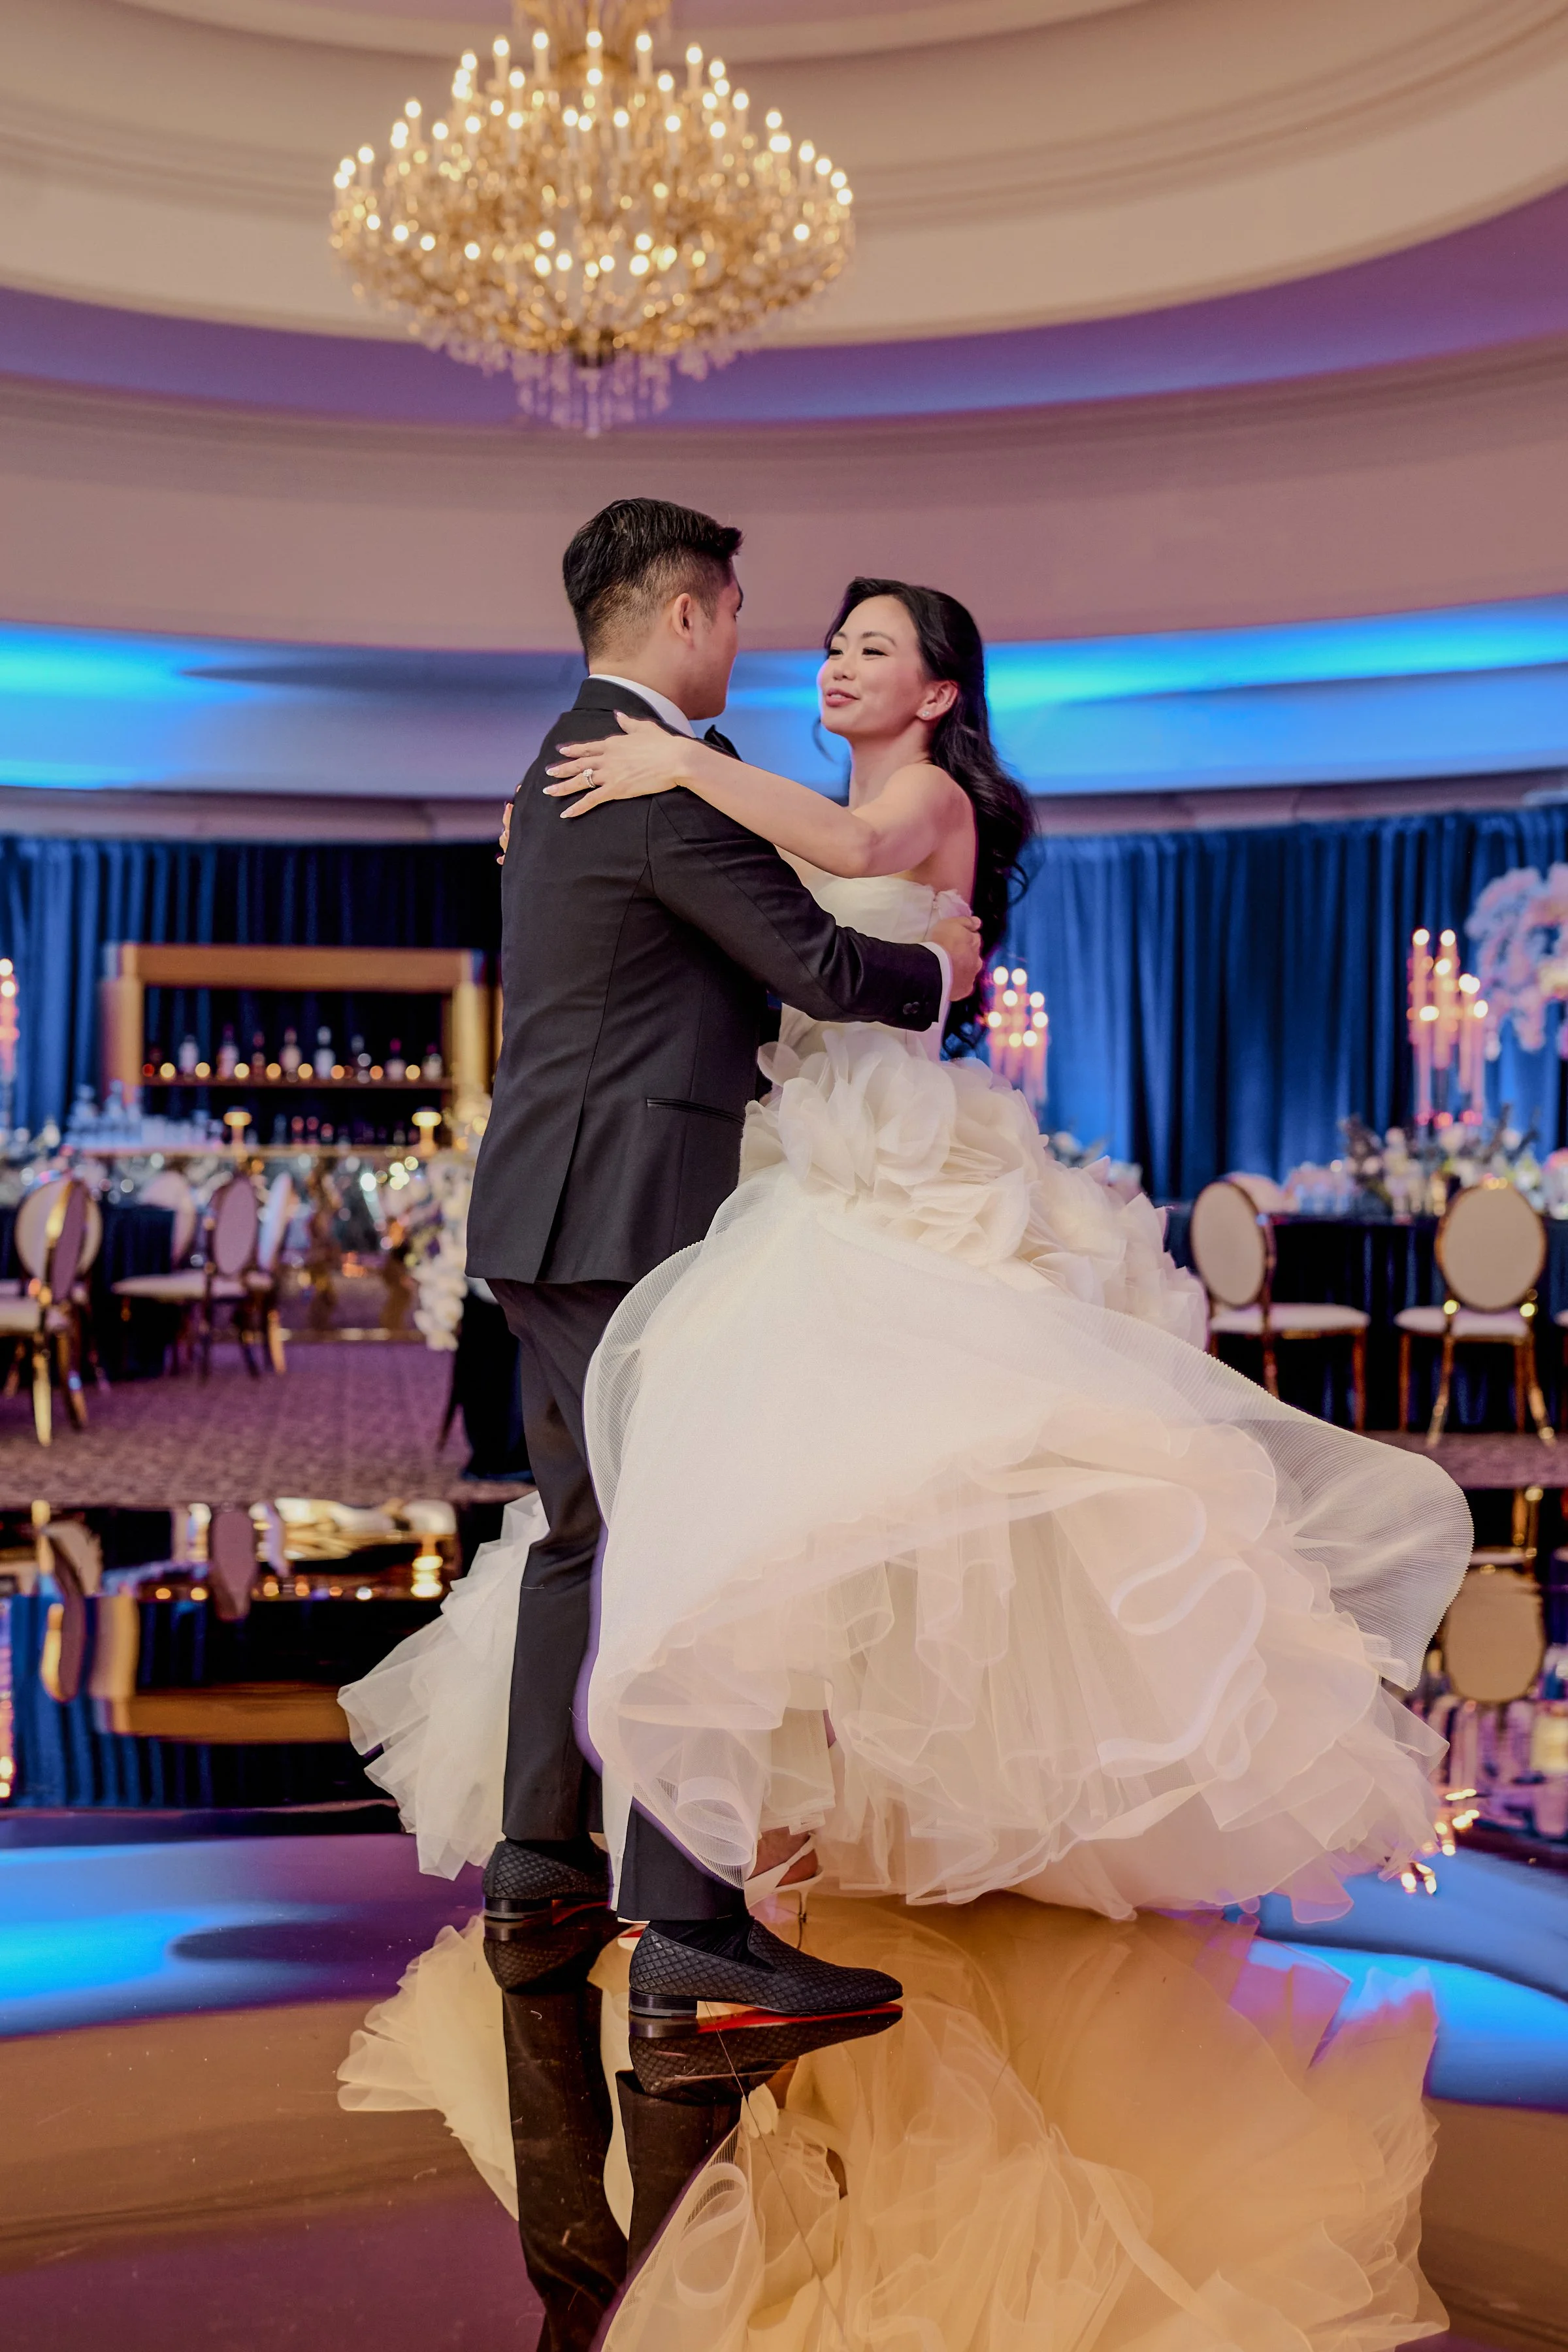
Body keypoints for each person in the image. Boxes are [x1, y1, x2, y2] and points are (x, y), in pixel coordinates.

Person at [540, 574, 1473, 1926]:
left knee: (928, 1477)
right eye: (833, 645)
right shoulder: (812, 813)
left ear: (937, 693)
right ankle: (810, 1810)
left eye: (875, 648)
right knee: (810, 1483)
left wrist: (676, 760)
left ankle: (863, 1810)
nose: (839, 665)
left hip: (897, 1152)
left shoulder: (924, 799)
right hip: (803, 1138)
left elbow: (852, 860)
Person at [344, 504, 984, 2039]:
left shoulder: (554, 768)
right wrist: (949, 965)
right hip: (634, 1208)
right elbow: (828, 970)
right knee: (689, 1540)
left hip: (542, 1212)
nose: (764, 644)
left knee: (583, 1534)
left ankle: (540, 1859)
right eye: (749, 614)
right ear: (690, 617)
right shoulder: (657, 792)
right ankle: (691, 1928)